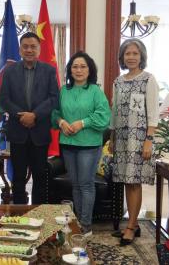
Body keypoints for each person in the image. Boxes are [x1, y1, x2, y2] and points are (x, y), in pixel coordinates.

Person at [51, 51, 111, 236]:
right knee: (75, 184)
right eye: (75, 66)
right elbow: (54, 113)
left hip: (89, 145)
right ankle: (77, 221)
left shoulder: (95, 91)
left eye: (83, 66)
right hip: (68, 144)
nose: (78, 70)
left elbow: (104, 117)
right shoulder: (63, 91)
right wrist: (61, 122)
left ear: (89, 69)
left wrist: (82, 123)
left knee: (85, 184)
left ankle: (86, 226)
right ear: (70, 70)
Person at [109, 38, 159, 246]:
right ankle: (133, 224)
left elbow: (153, 113)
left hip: (139, 140)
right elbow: (115, 113)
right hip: (121, 139)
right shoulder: (118, 82)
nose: (131, 57)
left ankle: (130, 226)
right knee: (126, 182)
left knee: (134, 182)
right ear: (122, 57)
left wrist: (148, 140)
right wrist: (111, 139)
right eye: (127, 54)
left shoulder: (149, 79)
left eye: (135, 53)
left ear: (141, 56)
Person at [0, 32, 59, 204]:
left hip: (39, 132)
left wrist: (35, 115)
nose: (29, 50)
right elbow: (5, 100)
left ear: (39, 49)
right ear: (20, 49)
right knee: (18, 176)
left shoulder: (49, 71)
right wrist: (22, 116)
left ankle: (37, 214)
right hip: (18, 133)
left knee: (40, 176)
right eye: (25, 46)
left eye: (33, 46)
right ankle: (20, 213)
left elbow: (54, 98)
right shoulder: (9, 71)